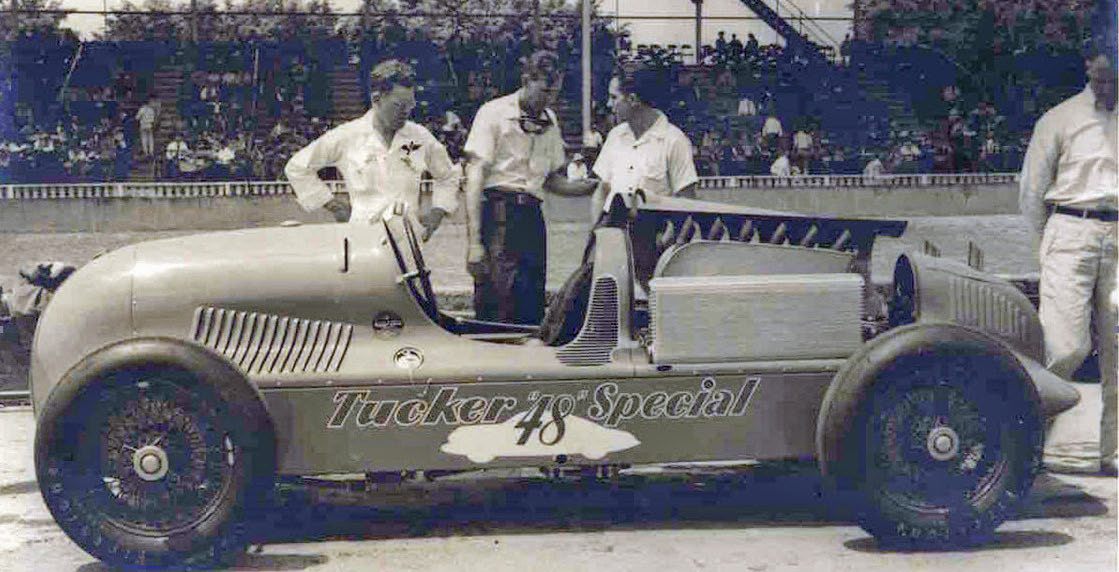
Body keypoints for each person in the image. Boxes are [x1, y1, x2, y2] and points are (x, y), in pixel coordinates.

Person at [1019, 37, 1117, 476]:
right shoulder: (1059, 119)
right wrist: (1052, 240)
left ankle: (1112, 453)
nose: (1109, 81)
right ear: (1089, 65)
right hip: (1070, 230)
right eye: (1103, 72)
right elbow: (1031, 191)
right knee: (1064, 346)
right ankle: (1027, 448)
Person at [463, 50, 598, 325]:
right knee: (498, 303)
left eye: (555, 93)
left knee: (531, 303)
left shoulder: (550, 121)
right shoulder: (493, 113)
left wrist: (589, 187)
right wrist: (474, 243)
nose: (550, 99)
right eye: (545, 91)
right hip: (499, 216)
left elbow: (550, 180)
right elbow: (474, 178)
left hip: (533, 218)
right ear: (526, 80)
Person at [285, 59, 458, 232]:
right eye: (398, 106)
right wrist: (334, 205)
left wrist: (437, 212)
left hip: (408, 236)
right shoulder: (347, 136)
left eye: (410, 105)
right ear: (376, 99)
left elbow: (448, 176)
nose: (406, 113)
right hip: (362, 235)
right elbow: (297, 168)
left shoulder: (420, 137)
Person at [590, 68, 699, 220]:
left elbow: (687, 200)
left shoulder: (674, 140)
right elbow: (602, 189)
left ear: (633, 100)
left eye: (614, 97)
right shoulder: (615, 135)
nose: (609, 104)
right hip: (611, 228)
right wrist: (595, 229)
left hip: (653, 229)